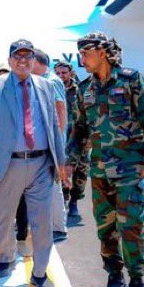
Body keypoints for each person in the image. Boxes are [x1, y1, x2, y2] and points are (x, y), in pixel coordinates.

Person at [65, 32, 144, 287]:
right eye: (80, 54)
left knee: (131, 226)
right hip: (100, 172)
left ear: (103, 53)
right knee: (105, 228)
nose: (82, 59)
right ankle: (115, 279)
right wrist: (68, 162)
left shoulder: (132, 80)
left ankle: (137, 283)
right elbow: (79, 131)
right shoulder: (85, 89)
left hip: (130, 171)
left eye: (86, 53)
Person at [0, 39, 66, 287]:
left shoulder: (46, 86)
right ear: (10, 60)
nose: (22, 61)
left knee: (42, 222)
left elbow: (53, 125)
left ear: (34, 60)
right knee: (3, 217)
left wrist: (61, 160)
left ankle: (40, 272)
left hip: (41, 164)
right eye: (17, 56)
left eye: (27, 56)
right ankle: (5, 258)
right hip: (7, 164)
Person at [0, 63, 30, 255]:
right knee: (2, 206)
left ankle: (21, 238)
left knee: (22, 204)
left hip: (20, 162)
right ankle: (3, 241)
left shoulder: (24, 99)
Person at [33, 49, 69, 243]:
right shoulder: (42, 80)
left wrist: (57, 140)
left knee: (55, 187)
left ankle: (58, 228)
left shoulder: (51, 81)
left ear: (37, 62)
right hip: (46, 142)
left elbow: (60, 109)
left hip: (53, 144)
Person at [55, 61, 88, 219]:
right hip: (61, 137)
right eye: (58, 73)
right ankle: (64, 197)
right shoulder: (52, 88)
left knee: (81, 171)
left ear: (71, 73)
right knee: (61, 168)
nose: (61, 76)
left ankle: (75, 200)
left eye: (64, 73)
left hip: (79, 137)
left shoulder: (80, 89)